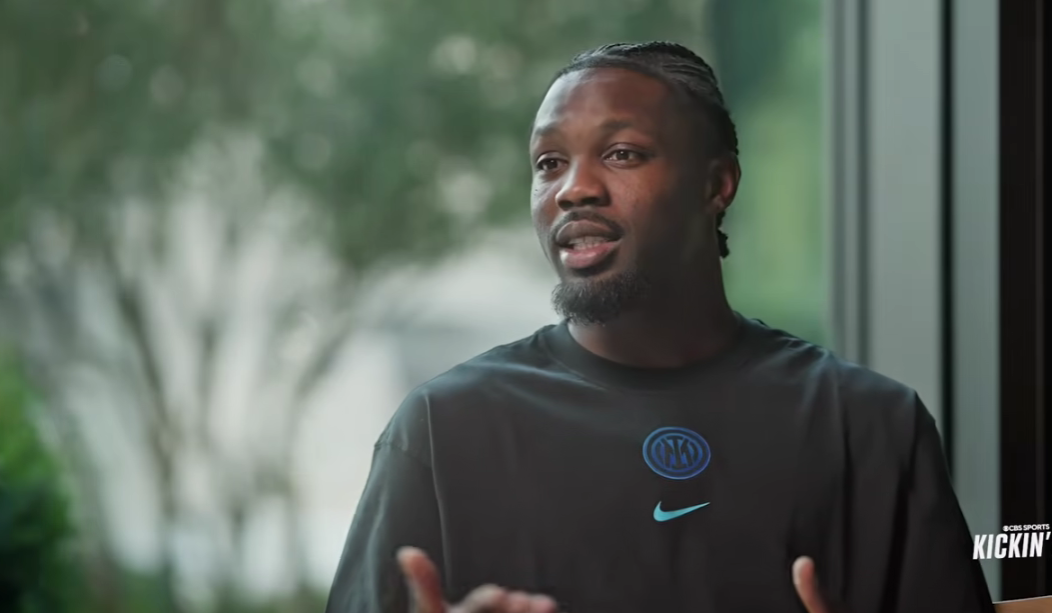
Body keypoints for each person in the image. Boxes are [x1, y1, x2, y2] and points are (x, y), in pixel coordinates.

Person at [325, 41, 994, 613]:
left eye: (621, 153)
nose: (572, 188)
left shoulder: (869, 427)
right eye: (549, 163)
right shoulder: (444, 430)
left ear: (716, 185)